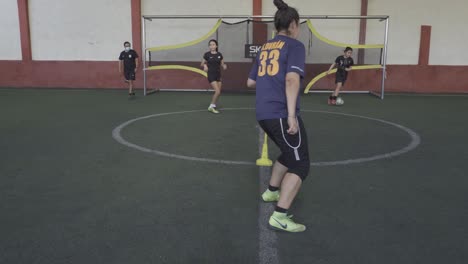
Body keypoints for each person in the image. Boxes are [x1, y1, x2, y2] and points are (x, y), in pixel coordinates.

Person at [247, 0, 309, 233]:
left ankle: (272, 190)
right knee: (301, 164)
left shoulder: (265, 48)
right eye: (299, 24)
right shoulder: (294, 46)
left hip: (263, 114)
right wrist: (291, 115)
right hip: (281, 113)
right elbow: (292, 80)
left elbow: (250, 81)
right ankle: (280, 215)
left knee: (288, 152)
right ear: (292, 24)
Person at [201, 39, 227, 114]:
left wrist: (224, 66)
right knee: (217, 91)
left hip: (218, 75)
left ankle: (214, 104)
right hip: (211, 75)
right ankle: (211, 107)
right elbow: (202, 64)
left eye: (213, 44)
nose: (212, 46)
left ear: (216, 46)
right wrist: (205, 65)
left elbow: (222, 64)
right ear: (209, 46)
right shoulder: (207, 54)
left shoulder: (219, 55)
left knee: (219, 92)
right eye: (210, 45)